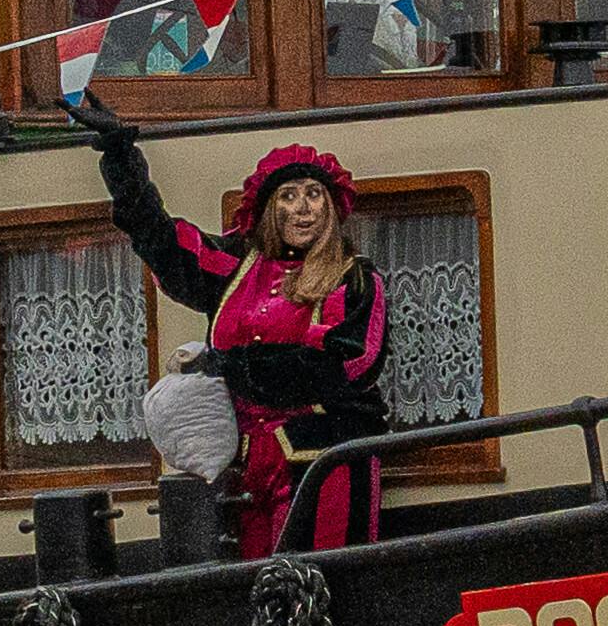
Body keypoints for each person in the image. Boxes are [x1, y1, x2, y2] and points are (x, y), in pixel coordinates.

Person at [65, 95, 391, 554]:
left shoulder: (354, 277)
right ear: (267, 209)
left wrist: (228, 365)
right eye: (289, 196)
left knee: (315, 595)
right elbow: (162, 241)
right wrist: (120, 154)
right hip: (243, 469)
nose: (303, 209)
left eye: (314, 194)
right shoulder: (237, 265)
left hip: (323, 464)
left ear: (331, 207)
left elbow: (345, 366)